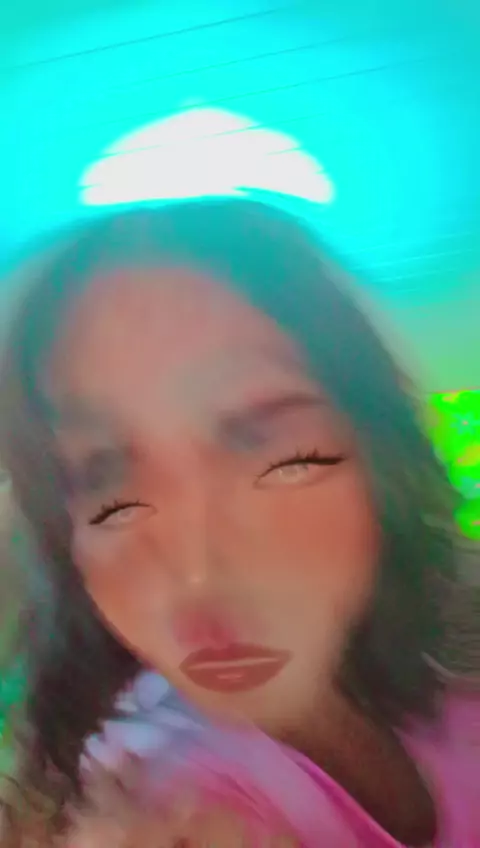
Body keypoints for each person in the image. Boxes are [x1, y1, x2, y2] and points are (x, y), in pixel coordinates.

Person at [0, 198, 477, 846]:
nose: (194, 571)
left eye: (278, 458)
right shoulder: (166, 789)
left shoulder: (455, 683)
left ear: (379, 460)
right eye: (108, 493)